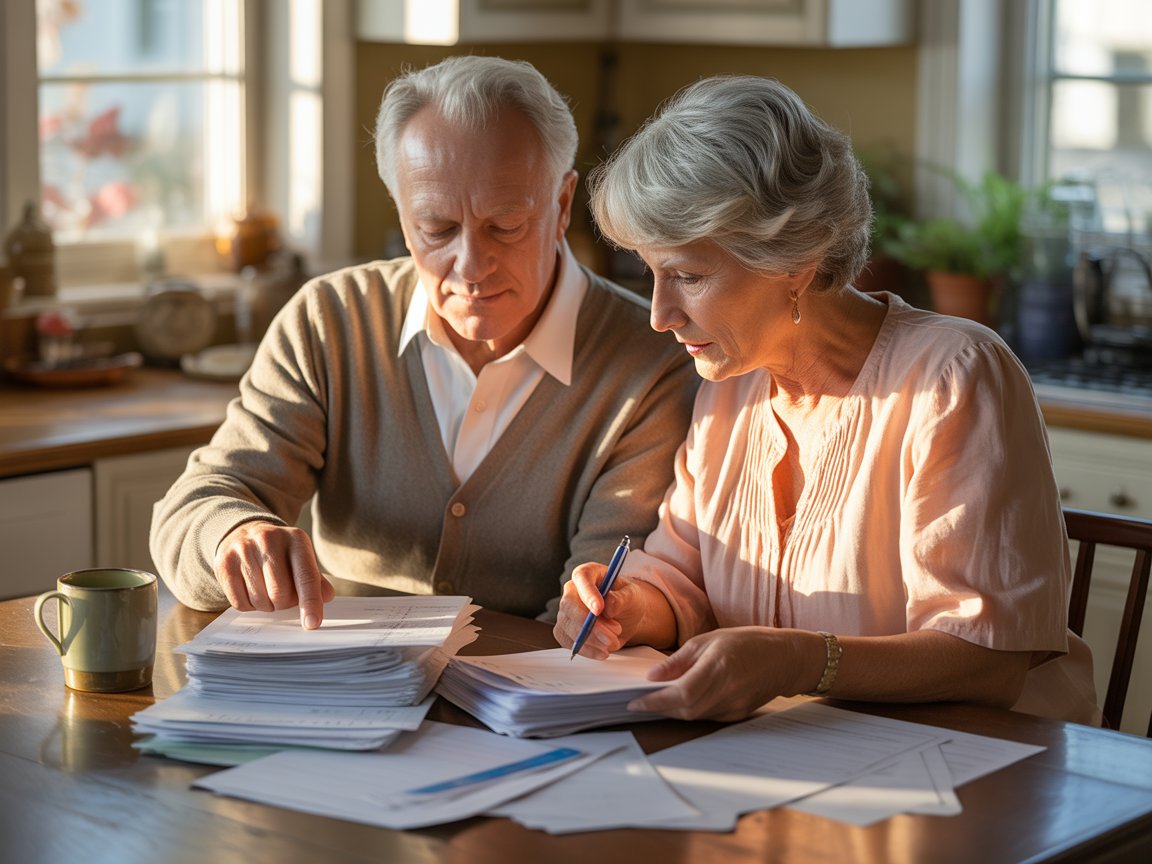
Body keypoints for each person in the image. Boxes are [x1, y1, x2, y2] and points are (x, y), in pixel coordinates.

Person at [554, 75, 1100, 726]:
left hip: (981, 782)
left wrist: (798, 662)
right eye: (650, 273)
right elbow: (683, 577)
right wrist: (628, 606)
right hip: (797, 765)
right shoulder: (732, 391)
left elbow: (989, 661)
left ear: (797, 257)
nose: (659, 315)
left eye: (688, 275)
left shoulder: (953, 378)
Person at [150, 56, 697, 629]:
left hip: (519, 703)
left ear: (562, 206)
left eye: (504, 226)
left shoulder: (653, 362)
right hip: (337, 695)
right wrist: (233, 535)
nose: (471, 266)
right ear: (402, 214)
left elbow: (596, 608)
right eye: (436, 229)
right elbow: (194, 509)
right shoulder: (329, 322)